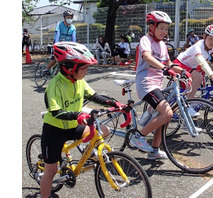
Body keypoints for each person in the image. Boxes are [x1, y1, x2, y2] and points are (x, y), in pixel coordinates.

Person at [40, 41, 126, 198]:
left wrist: (114, 103)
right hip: (55, 130)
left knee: (104, 130)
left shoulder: (79, 81)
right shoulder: (55, 85)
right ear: (69, 68)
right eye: (84, 67)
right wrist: (77, 115)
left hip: (73, 126)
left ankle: (89, 154)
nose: (87, 70)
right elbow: (55, 112)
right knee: (50, 172)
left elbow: (94, 96)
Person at [130, 11, 189, 160]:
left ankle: (154, 150)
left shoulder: (162, 45)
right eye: (161, 28)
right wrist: (164, 69)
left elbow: (169, 63)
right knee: (167, 113)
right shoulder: (146, 40)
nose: (164, 31)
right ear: (152, 27)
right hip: (146, 84)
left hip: (157, 84)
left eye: (166, 29)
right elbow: (147, 57)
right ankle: (138, 137)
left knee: (164, 117)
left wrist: (183, 71)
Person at [173, 24, 213, 116]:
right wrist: (212, 76)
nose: (212, 42)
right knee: (198, 78)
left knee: (190, 90)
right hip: (180, 64)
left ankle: (186, 119)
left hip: (191, 67)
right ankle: (187, 106)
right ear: (204, 37)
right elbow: (202, 62)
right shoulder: (198, 46)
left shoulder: (211, 48)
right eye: (210, 39)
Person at [44, 10, 77, 74]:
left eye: (71, 17)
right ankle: (46, 69)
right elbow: (57, 34)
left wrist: (74, 46)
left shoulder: (73, 27)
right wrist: (56, 44)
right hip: (58, 43)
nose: (69, 19)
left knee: (68, 58)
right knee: (55, 57)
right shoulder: (59, 24)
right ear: (64, 18)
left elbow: (74, 37)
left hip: (67, 45)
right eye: (68, 17)